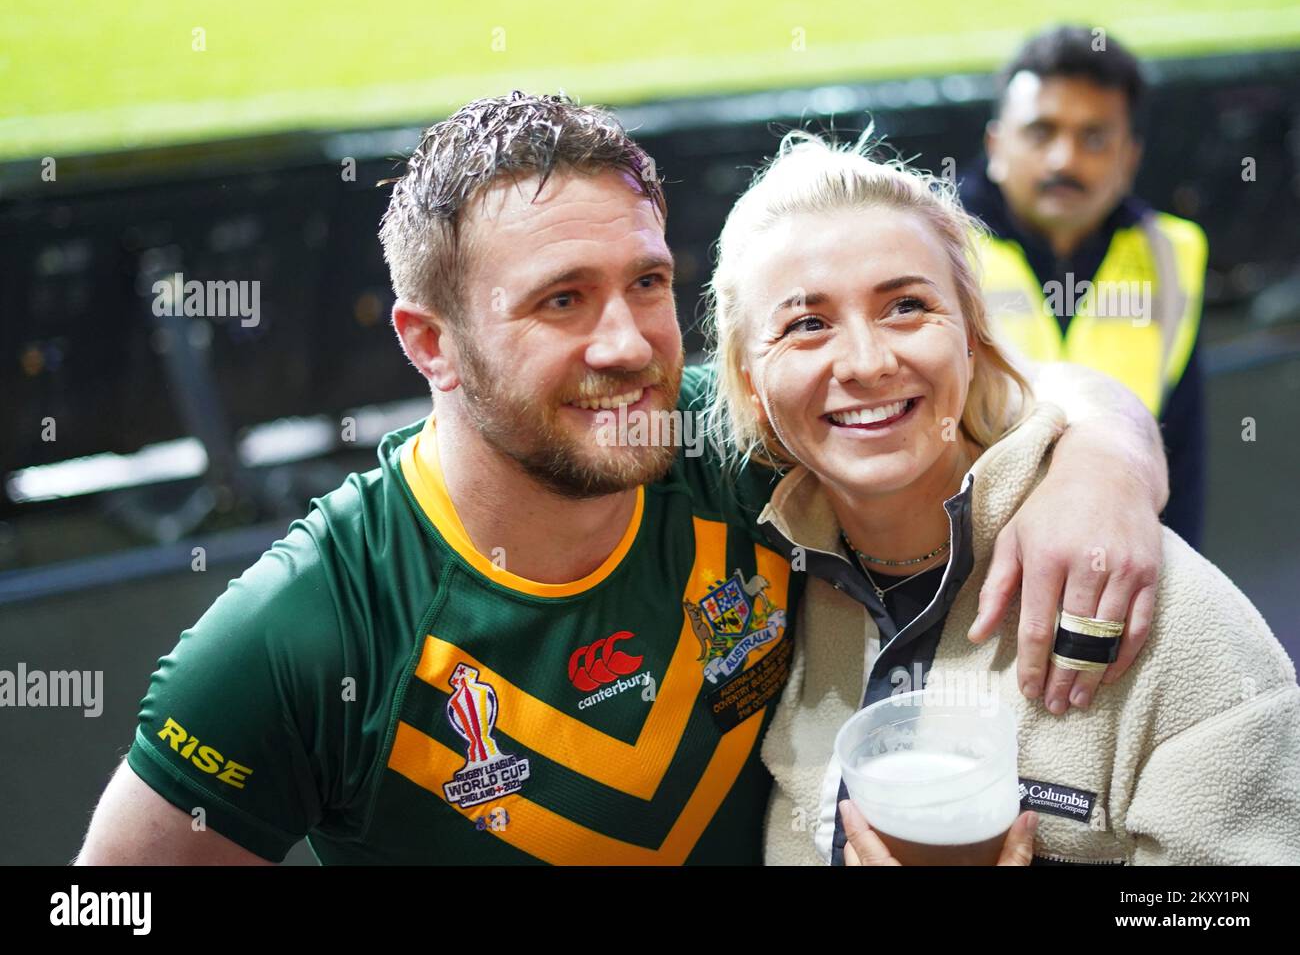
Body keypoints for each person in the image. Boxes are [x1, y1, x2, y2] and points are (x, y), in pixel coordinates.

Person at [76, 93, 1171, 866]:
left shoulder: (732, 439)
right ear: (430, 344)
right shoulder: (311, 629)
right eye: (561, 300)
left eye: (646, 282)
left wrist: (1104, 460)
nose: (627, 343)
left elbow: (1023, 384)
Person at [702, 130, 1300, 865]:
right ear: (751, 390)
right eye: (807, 325)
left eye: (906, 307)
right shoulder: (765, 585)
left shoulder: (1158, 606)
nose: (865, 361)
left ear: (974, 339)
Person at [961, 24, 1208, 549]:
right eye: (1041, 132)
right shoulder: (936, 248)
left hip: (1120, 561)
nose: (1063, 160)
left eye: (1094, 138)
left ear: (1129, 159)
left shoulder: (1171, 252)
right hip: (965, 570)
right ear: (996, 145)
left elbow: (1180, 445)